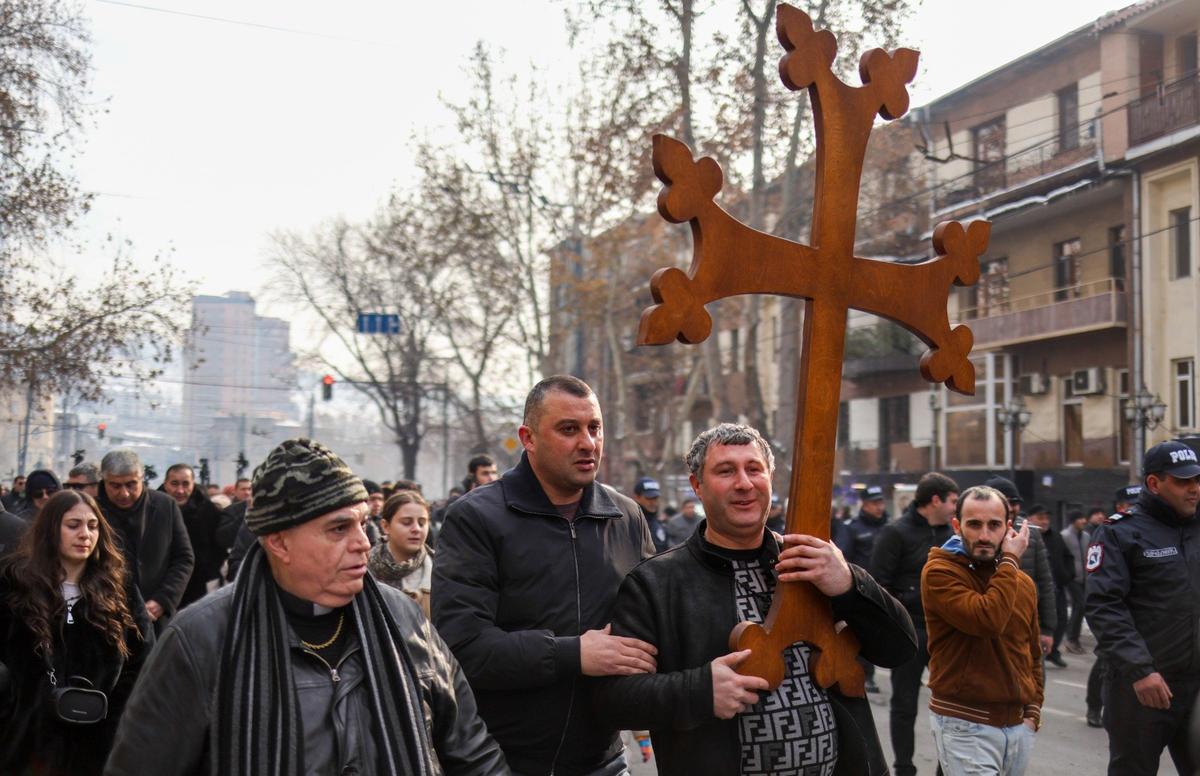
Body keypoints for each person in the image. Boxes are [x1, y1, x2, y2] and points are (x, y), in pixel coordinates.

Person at [104, 438, 508, 775]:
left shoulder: (402, 620)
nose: (364, 542)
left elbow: (472, 752)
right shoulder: (200, 639)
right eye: (338, 528)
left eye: (362, 522)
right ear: (279, 542)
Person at [592, 423, 916, 775]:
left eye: (754, 469)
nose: (744, 483)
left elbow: (899, 650)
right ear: (697, 486)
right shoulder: (657, 583)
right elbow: (614, 700)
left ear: (770, 478)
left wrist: (851, 585)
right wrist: (699, 691)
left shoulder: (812, 561)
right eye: (726, 470)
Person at [432, 375, 656, 776]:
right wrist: (574, 654)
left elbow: (657, 625)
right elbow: (462, 648)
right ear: (528, 437)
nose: (588, 443)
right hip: (497, 761)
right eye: (569, 429)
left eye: (595, 428)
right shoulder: (476, 518)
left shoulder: (626, 517)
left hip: (603, 761)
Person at [0, 490, 151, 775]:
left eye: (92, 526)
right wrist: (13, 710)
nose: (85, 534)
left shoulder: (119, 590)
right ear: (50, 529)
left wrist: (118, 715)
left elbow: (143, 657)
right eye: (73, 525)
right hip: (26, 742)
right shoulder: (14, 584)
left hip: (99, 741)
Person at [1085, 440, 1200, 775]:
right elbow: (1104, 606)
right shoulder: (1119, 533)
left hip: (1195, 685)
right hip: (1141, 688)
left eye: (1197, 480)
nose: (1193, 489)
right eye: (1182, 482)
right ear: (1154, 483)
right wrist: (1140, 670)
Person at [922, 485, 1043, 776]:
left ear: (1008, 528)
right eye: (974, 524)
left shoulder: (1020, 582)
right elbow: (988, 620)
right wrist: (1011, 560)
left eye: (994, 525)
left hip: (1016, 727)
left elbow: (1032, 654)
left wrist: (1032, 712)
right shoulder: (940, 572)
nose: (985, 536)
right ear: (956, 525)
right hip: (966, 724)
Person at [870, 471, 959, 776]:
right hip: (910, 631)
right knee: (905, 704)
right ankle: (904, 767)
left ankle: (945, 767)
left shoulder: (952, 535)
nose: (954, 508)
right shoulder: (895, 533)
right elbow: (878, 585)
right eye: (952, 501)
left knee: (951, 706)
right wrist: (912, 596)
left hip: (946, 634)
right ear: (935, 500)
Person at [96, 449, 194, 632]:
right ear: (104, 482)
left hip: (155, 618)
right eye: (115, 486)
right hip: (106, 618)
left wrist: (163, 599)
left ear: (142, 479)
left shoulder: (165, 506)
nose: (124, 493)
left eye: (131, 484)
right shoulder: (92, 510)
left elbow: (184, 558)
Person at [1084, 485, 1143, 728]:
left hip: (1140, 616)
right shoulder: (1111, 532)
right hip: (1117, 613)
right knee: (1105, 662)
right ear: (1121, 507)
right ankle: (1094, 706)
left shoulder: (1148, 532)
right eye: (1132, 504)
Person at [983, 476, 1056, 658]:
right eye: (1005, 501)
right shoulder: (981, 536)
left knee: (1033, 681)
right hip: (992, 623)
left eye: (1015, 502)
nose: (1011, 507)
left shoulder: (1030, 534)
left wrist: (1047, 628)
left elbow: (1045, 582)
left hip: (1028, 624)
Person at [160, 463, 228, 609]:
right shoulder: (153, 509)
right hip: (161, 587)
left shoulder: (208, 511)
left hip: (199, 585)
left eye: (185, 484)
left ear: (193, 484)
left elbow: (219, 549)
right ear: (165, 484)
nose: (180, 490)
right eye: (174, 484)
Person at [367, 490, 434, 617]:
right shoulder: (363, 569)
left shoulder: (441, 571)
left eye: (422, 523)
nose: (416, 529)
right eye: (406, 522)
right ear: (385, 526)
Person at [1028, 503, 1074, 668]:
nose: (1045, 522)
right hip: (1037, 591)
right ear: (1030, 519)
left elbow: (1068, 557)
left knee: (1061, 619)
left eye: (1047, 518)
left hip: (1057, 588)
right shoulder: (1027, 536)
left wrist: (1067, 575)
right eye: (1040, 518)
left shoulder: (1055, 537)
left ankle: (1053, 651)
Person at [1060, 509, 1090, 656]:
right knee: (1079, 605)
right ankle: (1071, 639)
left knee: (1082, 607)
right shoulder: (1064, 536)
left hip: (1085, 577)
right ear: (1073, 521)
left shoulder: (1086, 536)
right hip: (1072, 577)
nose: (1084, 521)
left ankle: (1073, 638)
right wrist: (1066, 574)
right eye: (1080, 518)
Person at [632, 476, 669, 553]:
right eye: (649, 498)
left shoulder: (660, 524)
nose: (653, 502)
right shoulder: (631, 523)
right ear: (637, 497)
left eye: (655, 498)